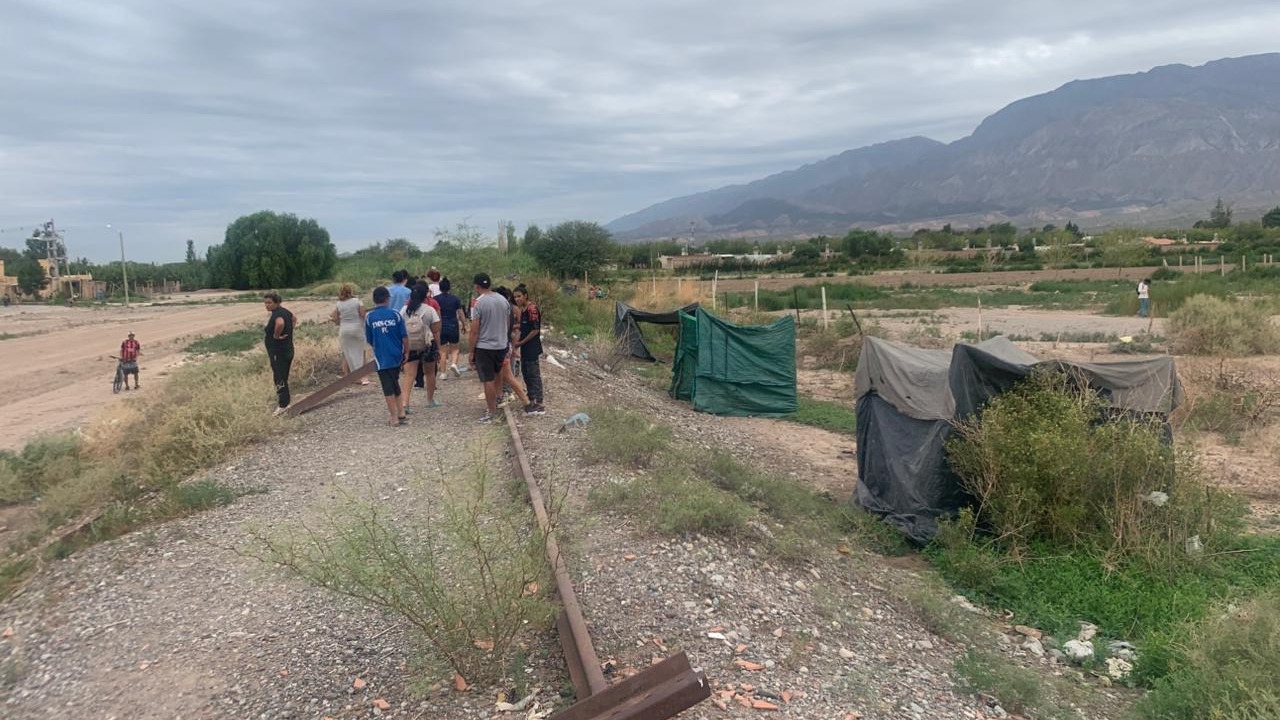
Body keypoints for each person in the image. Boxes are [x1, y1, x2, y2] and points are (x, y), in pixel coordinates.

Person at [469, 273, 514, 424]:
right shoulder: (503, 300)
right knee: (497, 372)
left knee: (487, 379)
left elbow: (474, 330)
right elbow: (507, 324)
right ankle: (499, 399)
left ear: (477, 286)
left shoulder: (479, 303)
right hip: (501, 345)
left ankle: (492, 412)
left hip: (484, 346)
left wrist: (471, 351)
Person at [365, 286, 409, 426]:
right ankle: (401, 412)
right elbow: (404, 336)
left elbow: (369, 339)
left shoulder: (369, 317)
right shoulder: (396, 315)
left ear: (374, 300)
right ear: (387, 299)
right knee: (394, 381)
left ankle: (394, 417)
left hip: (381, 356)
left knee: (387, 386)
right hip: (396, 354)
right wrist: (406, 352)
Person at [400, 283, 442, 413]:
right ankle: (430, 400)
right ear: (425, 296)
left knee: (409, 374)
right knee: (430, 372)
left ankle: (405, 403)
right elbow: (436, 331)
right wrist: (438, 348)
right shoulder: (429, 310)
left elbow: (400, 328)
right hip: (427, 344)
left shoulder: (404, 310)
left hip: (410, 345)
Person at [492, 286, 531, 410]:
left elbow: (519, 325)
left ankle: (517, 397)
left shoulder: (509, 309)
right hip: (505, 342)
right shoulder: (505, 308)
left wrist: (514, 344)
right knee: (504, 373)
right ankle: (506, 395)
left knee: (508, 373)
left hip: (506, 342)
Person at [513, 285, 546, 415]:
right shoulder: (523, 310)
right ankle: (531, 399)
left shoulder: (532, 309)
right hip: (525, 348)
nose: (517, 299)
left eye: (519, 296)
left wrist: (521, 342)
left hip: (532, 347)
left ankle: (539, 402)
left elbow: (535, 329)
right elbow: (523, 328)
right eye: (515, 297)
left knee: (534, 375)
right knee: (526, 373)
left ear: (525, 296)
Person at [263, 292, 295, 415]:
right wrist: (290, 330)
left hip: (279, 351)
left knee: (279, 377)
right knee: (283, 376)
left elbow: (280, 323)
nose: (267, 305)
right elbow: (294, 318)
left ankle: (283, 405)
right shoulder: (285, 311)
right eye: (265, 303)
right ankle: (285, 400)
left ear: (277, 302)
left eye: (269, 303)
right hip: (288, 349)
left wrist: (276, 336)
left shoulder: (278, 314)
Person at [330, 283, 368, 384]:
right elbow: (363, 314)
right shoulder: (357, 301)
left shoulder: (339, 304)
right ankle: (363, 376)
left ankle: (347, 376)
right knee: (361, 352)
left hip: (344, 329)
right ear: (351, 291)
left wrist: (339, 322)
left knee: (346, 353)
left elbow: (334, 317)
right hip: (357, 328)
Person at [435, 277, 467, 378]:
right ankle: (453, 364)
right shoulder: (455, 299)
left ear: (440, 288)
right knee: (455, 348)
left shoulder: (436, 299)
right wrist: (464, 325)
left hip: (441, 326)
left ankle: (443, 373)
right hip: (453, 324)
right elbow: (461, 313)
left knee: (442, 351)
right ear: (449, 287)